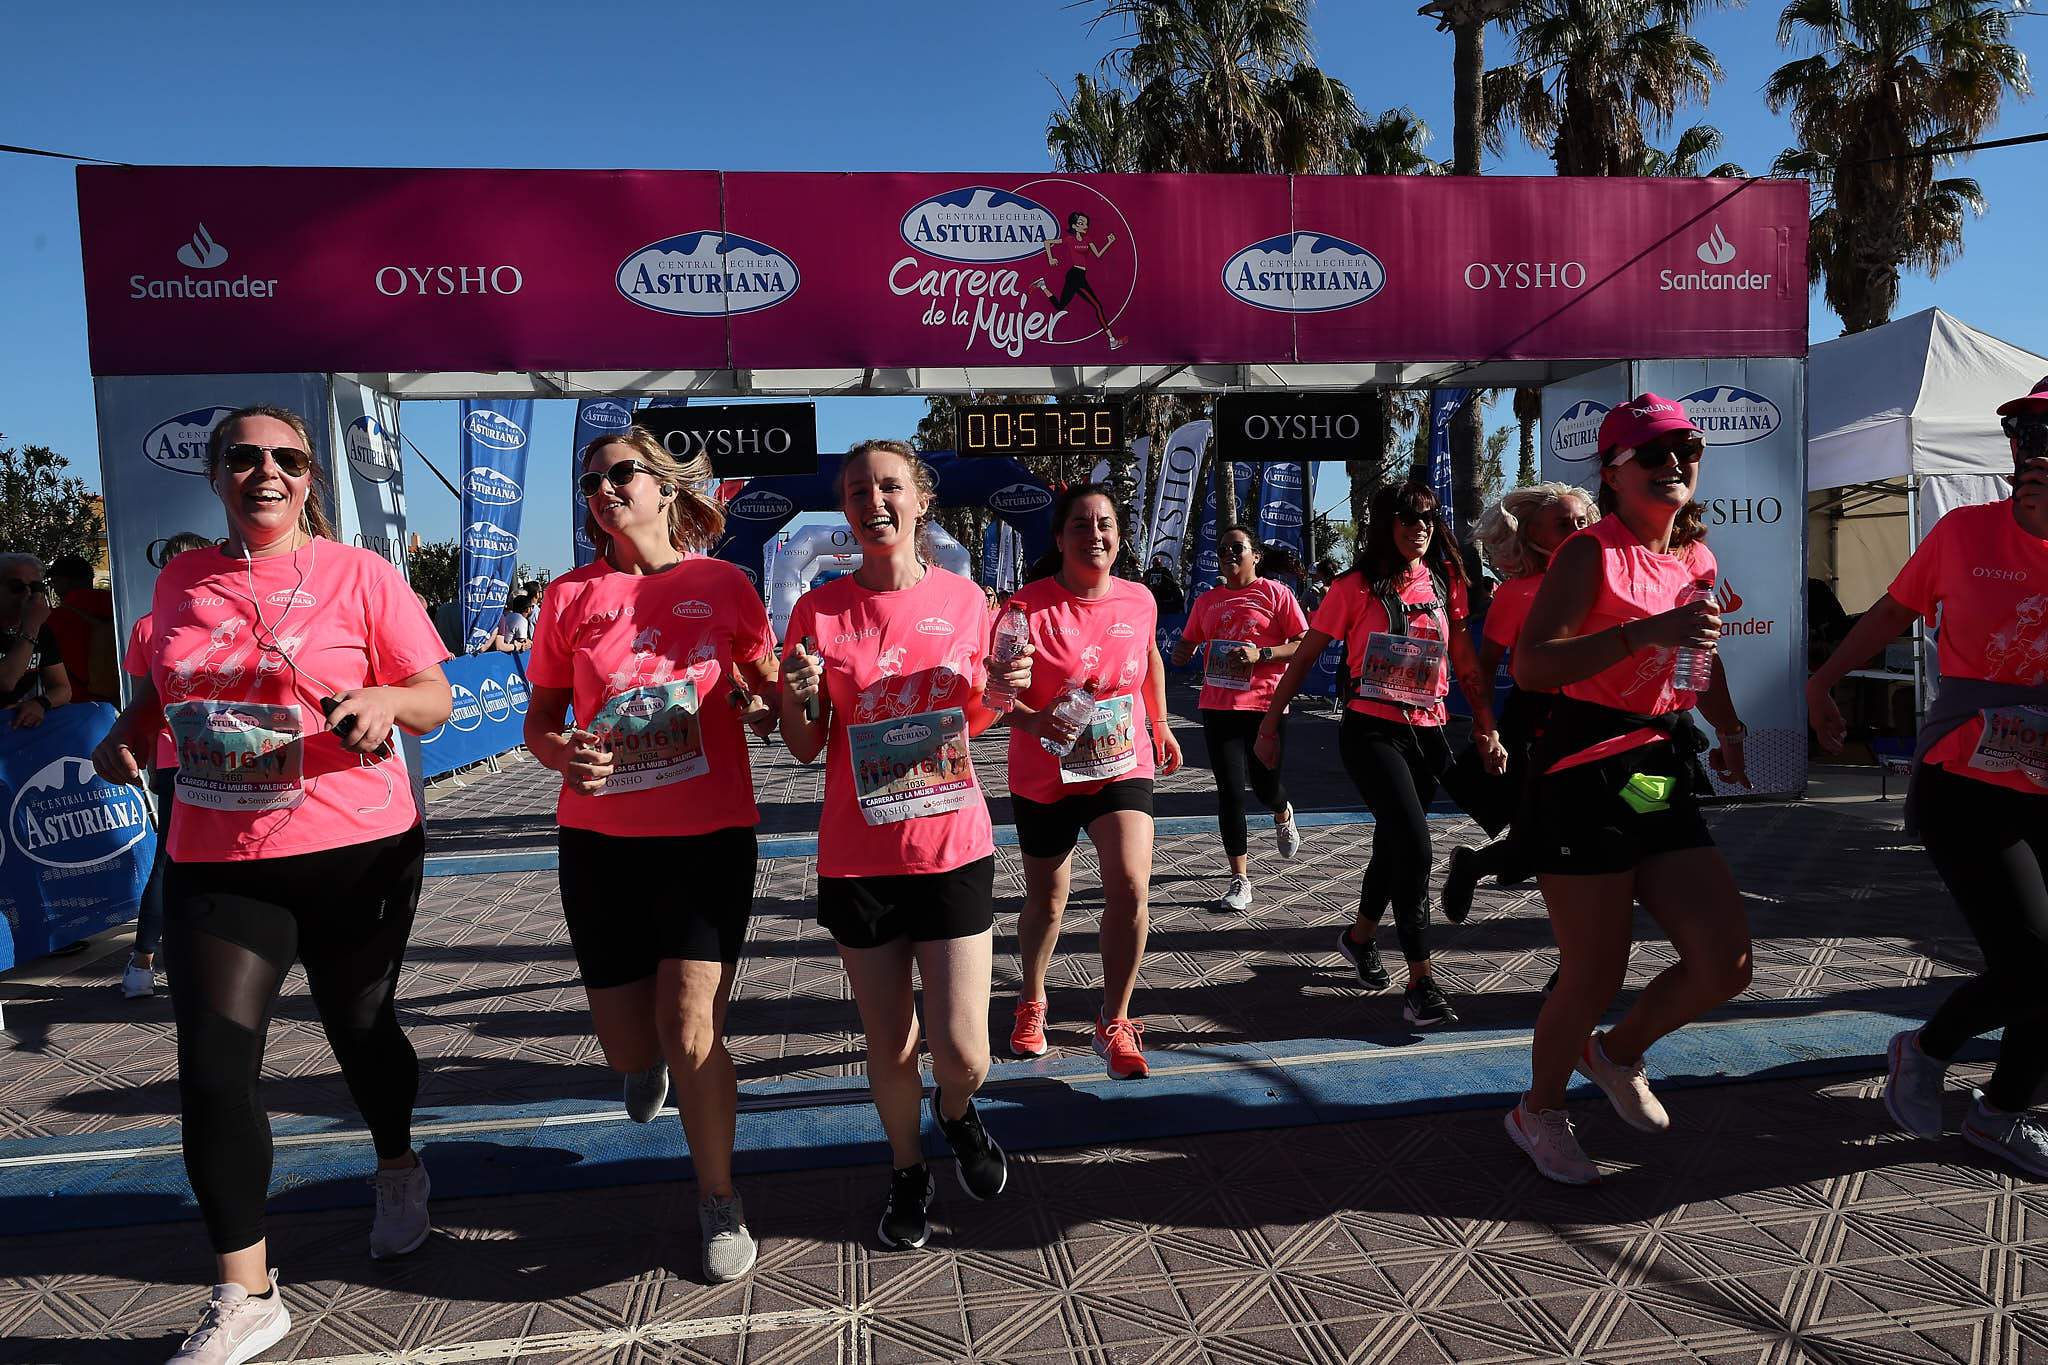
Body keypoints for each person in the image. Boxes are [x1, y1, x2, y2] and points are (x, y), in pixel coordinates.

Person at [90, 403, 451, 1365]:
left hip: (356, 848)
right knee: (214, 1064)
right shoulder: (179, 579)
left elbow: (435, 697)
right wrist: (125, 736)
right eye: (244, 457)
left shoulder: (361, 575)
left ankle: (397, 1162)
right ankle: (246, 1292)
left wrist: (384, 699)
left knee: (361, 1029)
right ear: (215, 475)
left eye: (287, 459)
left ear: (310, 480)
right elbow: (156, 693)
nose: (267, 472)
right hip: (219, 854)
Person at [525, 426, 779, 1281]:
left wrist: (774, 703)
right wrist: (562, 752)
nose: (603, 489)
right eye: (590, 480)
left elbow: (775, 695)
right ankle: (639, 1067)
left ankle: (719, 1198)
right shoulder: (567, 597)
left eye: (620, 474)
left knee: (690, 1026)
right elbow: (542, 719)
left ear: (666, 488)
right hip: (600, 844)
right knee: (631, 1046)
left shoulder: (724, 585)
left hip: (708, 840)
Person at [779, 440, 1032, 1252]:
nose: (872, 500)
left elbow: (978, 717)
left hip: (953, 844)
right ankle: (906, 1169)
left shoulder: (967, 600)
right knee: (889, 1042)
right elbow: (804, 746)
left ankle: (956, 1114)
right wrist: (799, 697)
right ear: (844, 507)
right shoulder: (817, 612)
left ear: (921, 500)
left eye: (889, 486)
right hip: (860, 859)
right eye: (857, 490)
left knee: (963, 1053)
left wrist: (999, 694)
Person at [1503, 394, 1752, 1186]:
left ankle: (1614, 1052)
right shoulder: (1590, 554)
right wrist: (1639, 633)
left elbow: (1700, 656)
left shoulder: (1698, 559)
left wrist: (1732, 730)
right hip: (1583, 768)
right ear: (1613, 472)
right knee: (1594, 968)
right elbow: (1532, 665)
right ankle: (1537, 1109)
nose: (1675, 462)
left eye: (1687, 448)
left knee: (1726, 962)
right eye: (1654, 453)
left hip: (1653, 768)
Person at [1808, 376, 2048, 1178]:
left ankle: (2002, 1114)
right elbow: (1887, 615)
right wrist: (1821, 683)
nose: (2039, 455)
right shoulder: (1963, 533)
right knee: (2032, 962)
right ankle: (1926, 1047)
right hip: (1967, 782)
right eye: (2030, 437)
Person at [1257, 482, 1507, 1028]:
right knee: (1415, 849)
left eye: (1427, 518)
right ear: (1385, 524)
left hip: (1430, 731)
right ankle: (1422, 983)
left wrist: (1487, 729)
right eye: (1406, 518)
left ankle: (1358, 937)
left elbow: (1465, 664)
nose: (1418, 527)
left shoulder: (1447, 583)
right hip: (1371, 731)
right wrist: (1270, 725)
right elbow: (1303, 660)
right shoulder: (1353, 588)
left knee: (1394, 844)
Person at [1004, 483, 1182, 1077]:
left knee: (1131, 884)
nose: (1095, 534)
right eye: (1080, 525)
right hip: (1046, 769)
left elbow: (1151, 657)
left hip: (1119, 760)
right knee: (1049, 900)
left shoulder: (1139, 600)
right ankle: (1032, 999)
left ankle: (1115, 1020)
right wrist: (1035, 720)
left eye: (1105, 523)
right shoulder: (1025, 608)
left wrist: (1159, 724)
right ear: (1059, 539)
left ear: (1120, 535)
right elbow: (996, 690)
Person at [1441, 483, 1598, 929]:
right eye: (1563, 525)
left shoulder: (1606, 578)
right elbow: (1483, 671)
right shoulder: (1516, 595)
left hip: (1600, 718)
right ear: (1533, 535)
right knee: (1558, 837)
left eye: (1584, 522)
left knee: (1575, 836)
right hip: (1539, 724)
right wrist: (1486, 731)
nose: (1577, 531)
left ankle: (1476, 865)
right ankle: (1575, 961)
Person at [1170, 525, 1308, 911]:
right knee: (1230, 791)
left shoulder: (1275, 594)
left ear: (1255, 555)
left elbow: (1302, 643)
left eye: (1237, 547)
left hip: (1265, 706)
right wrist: (1181, 653)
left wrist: (1260, 655)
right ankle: (1240, 878)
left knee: (1264, 787)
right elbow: (1189, 641)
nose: (1229, 553)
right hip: (1218, 707)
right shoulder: (1207, 601)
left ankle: (1282, 811)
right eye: (1223, 549)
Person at [117, 531, 217, 1001]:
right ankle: (152, 961)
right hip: (211, 757)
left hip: (183, 759)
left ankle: (144, 964)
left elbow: (141, 703)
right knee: (185, 858)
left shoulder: (145, 625)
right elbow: (142, 703)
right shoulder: (216, 618)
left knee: (172, 858)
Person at [1031, 211, 1125, 350]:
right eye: (1081, 223)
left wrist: (1109, 242)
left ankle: (1042, 285)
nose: (1085, 225)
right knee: (1097, 306)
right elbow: (1047, 242)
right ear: (1074, 226)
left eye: (1086, 223)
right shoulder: (1069, 239)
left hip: (1080, 275)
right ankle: (1112, 340)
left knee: (1060, 306)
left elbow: (1098, 255)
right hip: (1075, 275)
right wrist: (1050, 258)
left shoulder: (1088, 240)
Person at [0, 552, 72, 726]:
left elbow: (63, 688)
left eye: (34, 588)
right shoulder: (33, 626)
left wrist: (41, 703)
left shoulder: (41, 629)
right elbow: (6, 681)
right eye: (16, 587)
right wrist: (30, 628)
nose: (26, 595)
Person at [48, 551, 120, 704]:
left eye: (54, 581)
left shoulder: (53, 619)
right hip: (122, 701)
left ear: (65, 582)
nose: (53, 587)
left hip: (79, 706)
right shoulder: (120, 607)